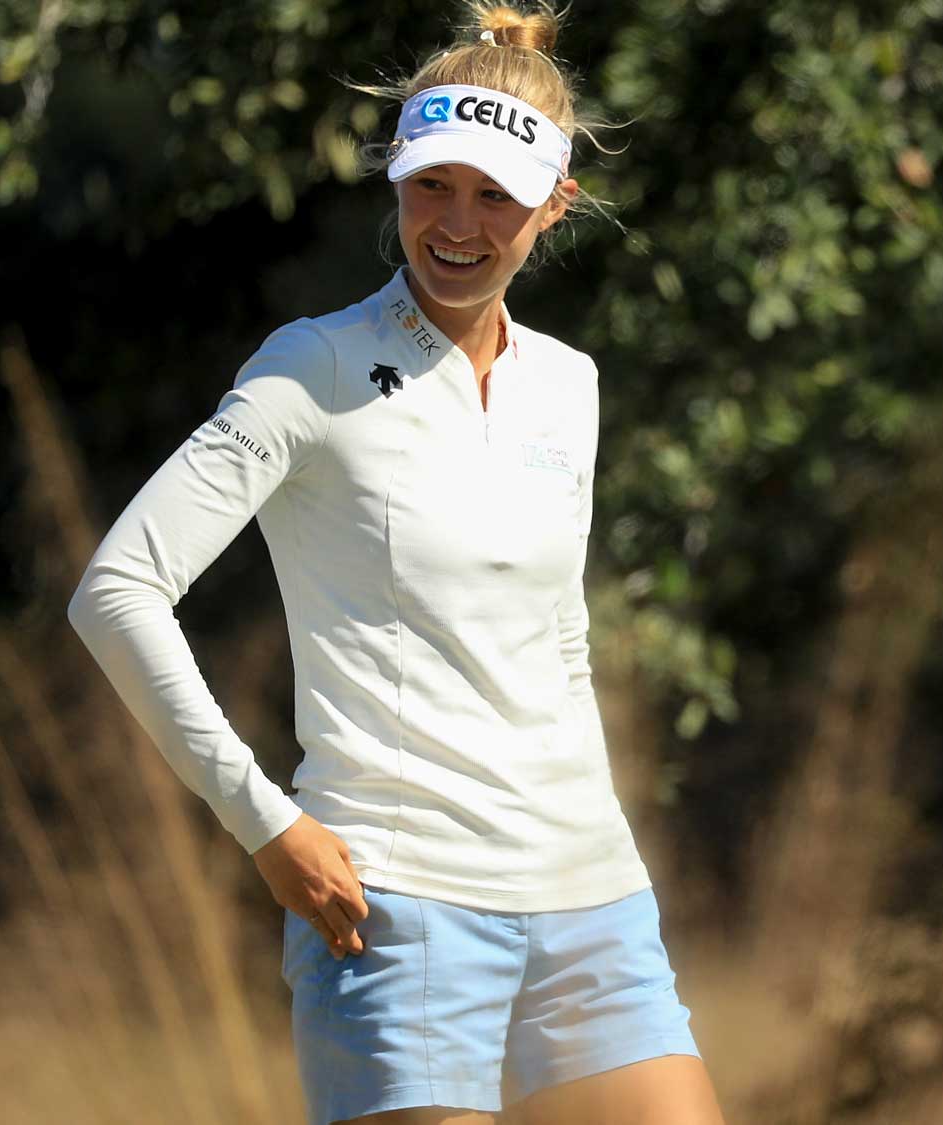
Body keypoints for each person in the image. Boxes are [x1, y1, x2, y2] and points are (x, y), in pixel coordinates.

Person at [66, 5, 727, 1122]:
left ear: (554, 204)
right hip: (395, 906)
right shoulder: (311, 366)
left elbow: (555, 634)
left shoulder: (569, 384)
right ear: (396, 179)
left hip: (589, 900)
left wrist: (598, 838)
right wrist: (264, 823)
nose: (456, 224)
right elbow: (115, 590)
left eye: (494, 195)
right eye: (433, 185)